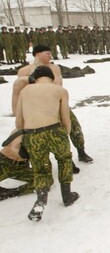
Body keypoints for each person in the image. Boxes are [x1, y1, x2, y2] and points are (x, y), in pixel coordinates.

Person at [15, 66, 80, 221]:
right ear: (52, 77)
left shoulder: (25, 91)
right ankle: (67, 195)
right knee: (64, 160)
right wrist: (65, 133)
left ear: (35, 78)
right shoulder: (59, 91)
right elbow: (66, 119)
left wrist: (25, 139)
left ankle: (41, 200)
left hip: (32, 134)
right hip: (54, 130)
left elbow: (18, 122)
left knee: (40, 169)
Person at [12, 45, 94, 164]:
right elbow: (19, 91)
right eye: (47, 54)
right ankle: (29, 159)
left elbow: (58, 85)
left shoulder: (54, 68)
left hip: (56, 104)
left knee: (74, 127)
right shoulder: (23, 71)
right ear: (38, 54)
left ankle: (81, 151)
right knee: (31, 134)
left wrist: (34, 81)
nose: (50, 56)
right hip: (35, 108)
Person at [0, 130, 34, 201]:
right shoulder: (21, 130)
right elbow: (14, 148)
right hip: (4, 162)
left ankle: (11, 192)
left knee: (44, 180)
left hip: (21, 167)